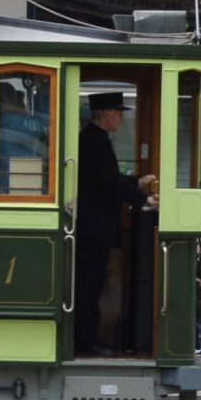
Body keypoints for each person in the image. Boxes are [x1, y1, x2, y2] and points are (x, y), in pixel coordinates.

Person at [75, 92, 157, 356]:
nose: (121, 118)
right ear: (107, 115)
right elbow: (109, 182)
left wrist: (136, 184)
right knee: (89, 286)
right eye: (119, 113)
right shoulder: (94, 142)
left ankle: (86, 340)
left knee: (91, 285)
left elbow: (108, 178)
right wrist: (144, 198)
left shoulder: (94, 140)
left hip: (94, 228)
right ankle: (84, 343)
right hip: (93, 229)